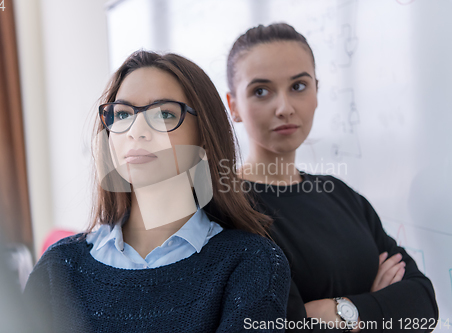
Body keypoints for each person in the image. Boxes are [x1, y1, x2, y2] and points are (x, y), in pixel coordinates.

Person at [23, 50, 291, 333]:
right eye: (123, 114)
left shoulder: (250, 263)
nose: (136, 131)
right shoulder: (59, 267)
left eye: (164, 114)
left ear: (205, 139)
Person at [226, 23, 438, 332]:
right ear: (234, 107)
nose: (284, 107)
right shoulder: (230, 211)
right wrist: (377, 306)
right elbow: (287, 326)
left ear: (316, 91)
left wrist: (342, 311)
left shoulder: (339, 194)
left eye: (298, 86)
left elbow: (423, 304)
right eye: (261, 91)